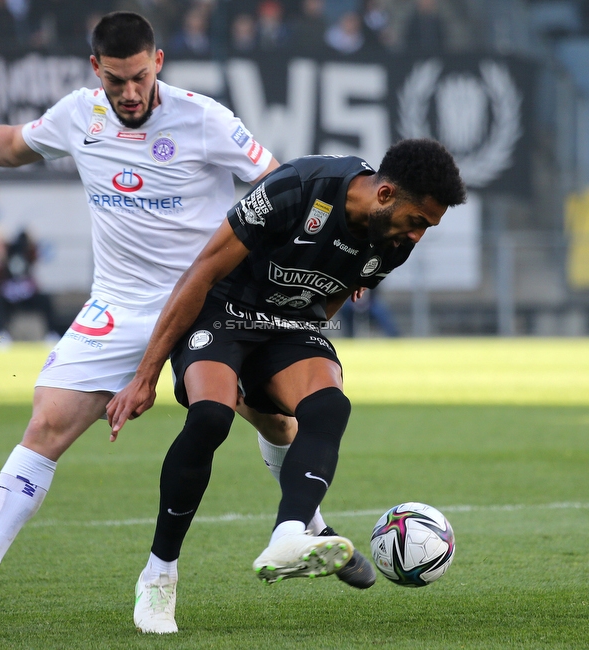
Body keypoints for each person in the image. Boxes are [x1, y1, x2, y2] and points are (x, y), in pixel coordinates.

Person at [0, 11, 373, 620]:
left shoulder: (205, 118)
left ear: (158, 63)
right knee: (48, 422)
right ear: (97, 71)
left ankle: (307, 528)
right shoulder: (77, 115)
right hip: (118, 304)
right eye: (117, 81)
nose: (130, 92)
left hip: (210, 302)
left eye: (140, 77)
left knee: (275, 424)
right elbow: (12, 146)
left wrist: (327, 261)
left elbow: (282, 187)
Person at [108, 139, 467, 634]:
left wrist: (274, 383)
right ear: (384, 193)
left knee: (328, 406)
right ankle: (159, 574)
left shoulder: (393, 243)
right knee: (210, 417)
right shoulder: (297, 189)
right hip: (223, 309)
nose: (418, 235)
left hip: (289, 323)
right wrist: (145, 376)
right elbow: (203, 270)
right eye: (418, 221)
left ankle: (289, 534)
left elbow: (331, 297)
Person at [0, 226, 65, 344]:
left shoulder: (15, 251)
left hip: (25, 296)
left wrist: (29, 240)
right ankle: (0, 338)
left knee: (46, 300)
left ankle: (51, 334)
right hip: (5, 299)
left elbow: (32, 257)